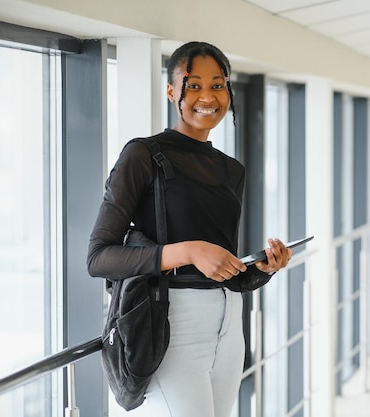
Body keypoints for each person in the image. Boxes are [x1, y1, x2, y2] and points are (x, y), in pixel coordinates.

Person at [87, 41, 292, 416]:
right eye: (193, 84)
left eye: (218, 84)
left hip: (230, 321)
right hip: (171, 323)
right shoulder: (143, 154)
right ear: (171, 91)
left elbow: (224, 270)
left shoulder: (232, 170)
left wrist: (260, 269)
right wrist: (188, 250)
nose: (207, 96)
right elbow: (99, 257)